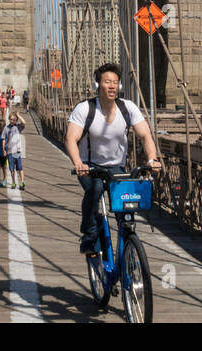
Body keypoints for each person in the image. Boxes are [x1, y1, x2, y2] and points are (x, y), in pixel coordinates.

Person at [64, 63, 162, 256]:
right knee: (96, 188)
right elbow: (70, 139)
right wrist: (78, 163)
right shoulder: (85, 109)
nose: (111, 86)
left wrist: (152, 159)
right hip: (90, 166)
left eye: (115, 83)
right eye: (107, 82)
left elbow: (146, 135)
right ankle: (90, 235)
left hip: (117, 167)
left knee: (124, 205)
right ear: (97, 85)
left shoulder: (128, 108)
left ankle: (127, 243)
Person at [4, 112, 26, 190]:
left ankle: (22, 182)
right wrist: (4, 149)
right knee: (11, 168)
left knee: (20, 167)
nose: (12, 121)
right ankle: (13, 182)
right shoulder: (6, 128)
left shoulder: (18, 127)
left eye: (14, 119)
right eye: (11, 119)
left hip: (17, 151)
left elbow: (24, 122)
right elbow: (5, 139)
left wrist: (19, 116)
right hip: (10, 151)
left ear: (16, 120)